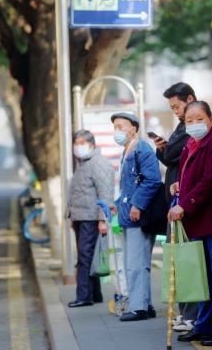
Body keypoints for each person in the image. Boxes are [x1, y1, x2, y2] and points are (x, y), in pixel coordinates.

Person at [168, 101, 212, 346]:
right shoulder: (190, 143)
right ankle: (204, 326)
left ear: (210, 119)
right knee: (203, 279)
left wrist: (184, 204)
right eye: (189, 120)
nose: (194, 124)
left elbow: (210, 181)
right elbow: (190, 176)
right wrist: (179, 185)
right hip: (197, 221)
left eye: (199, 119)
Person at [154, 82, 198, 332]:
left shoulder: (193, 129)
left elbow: (172, 155)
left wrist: (166, 150)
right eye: (172, 108)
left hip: (185, 206)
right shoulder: (182, 127)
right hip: (175, 204)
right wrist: (164, 149)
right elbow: (170, 156)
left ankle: (191, 316)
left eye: (177, 106)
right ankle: (186, 314)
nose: (176, 112)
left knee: (185, 261)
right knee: (177, 261)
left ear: (190, 99)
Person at [111, 112, 160, 322]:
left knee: (135, 263)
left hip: (137, 215)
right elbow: (128, 186)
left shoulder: (142, 149)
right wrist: (116, 206)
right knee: (138, 262)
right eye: (115, 127)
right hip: (128, 214)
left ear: (133, 128)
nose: (117, 131)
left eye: (121, 126)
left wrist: (137, 204)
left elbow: (152, 179)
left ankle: (138, 307)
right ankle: (145, 305)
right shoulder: (127, 150)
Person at [66, 130, 114, 308]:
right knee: (88, 256)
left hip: (91, 218)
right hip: (81, 217)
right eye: (76, 143)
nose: (78, 146)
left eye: (81, 142)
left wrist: (103, 219)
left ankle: (83, 296)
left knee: (85, 257)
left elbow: (105, 193)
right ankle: (95, 294)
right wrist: (71, 216)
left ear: (91, 144)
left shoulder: (97, 163)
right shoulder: (83, 163)